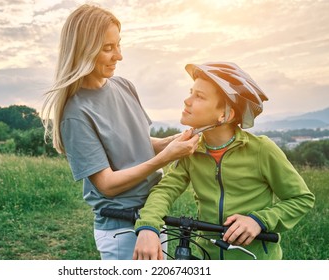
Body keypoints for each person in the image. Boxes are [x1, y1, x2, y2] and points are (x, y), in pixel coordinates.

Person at [41, 4, 199, 260]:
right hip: (122, 229)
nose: (119, 56)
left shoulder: (124, 86)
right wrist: (167, 157)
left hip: (153, 216)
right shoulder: (76, 113)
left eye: (118, 45)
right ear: (84, 50)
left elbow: (135, 143)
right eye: (108, 48)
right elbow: (107, 185)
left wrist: (172, 141)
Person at [133, 62, 315, 260]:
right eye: (191, 92)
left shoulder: (261, 149)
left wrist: (259, 221)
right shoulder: (190, 150)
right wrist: (148, 227)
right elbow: (165, 190)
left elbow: (301, 199)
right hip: (207, 256)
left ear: (225, 115)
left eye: (199, 96)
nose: (187, 100)